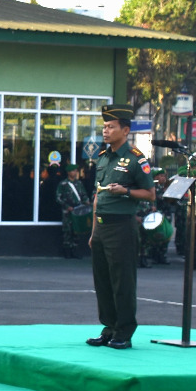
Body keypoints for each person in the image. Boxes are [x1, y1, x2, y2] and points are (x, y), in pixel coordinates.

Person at [84, 106, 153, 350]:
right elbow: (97, 197)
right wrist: (93, 232)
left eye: (111, 127)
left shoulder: (136, 159)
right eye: (104, 126)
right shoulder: (103, 157)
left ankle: (124, 331)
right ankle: (109, 327)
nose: (106, 130)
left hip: (121, 226)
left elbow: (150, 194)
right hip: (102, 226)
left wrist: (126, 191)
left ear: (125, 130)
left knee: (122, 282)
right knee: (102, 281)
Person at [57, 164, 90, 258]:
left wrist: (87, 202)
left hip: (78, 211)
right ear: (68, 172)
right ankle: (67, 252)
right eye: (73, 171)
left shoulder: (79, 183)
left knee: (77, 230)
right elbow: (58, 197)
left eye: (76, 171)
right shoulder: (63, 184)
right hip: (67, 211)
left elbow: (83, 195)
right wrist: (66, 206)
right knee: (67, 231)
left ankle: (75, 251)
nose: (75, 173)